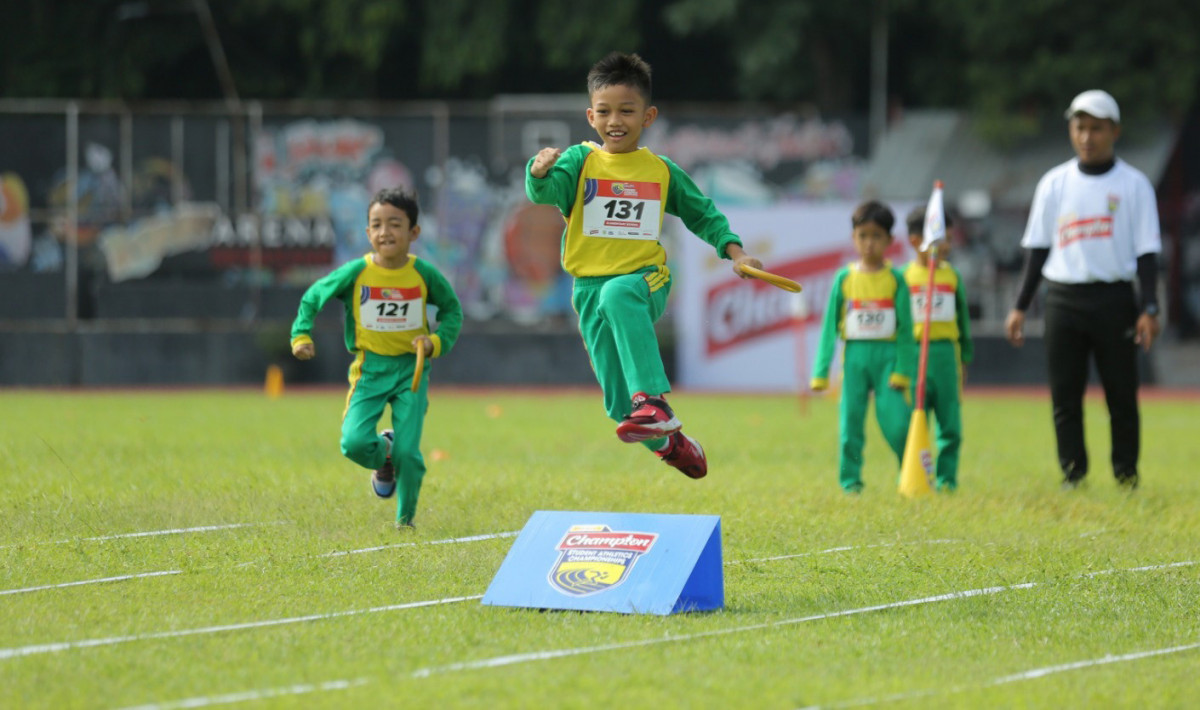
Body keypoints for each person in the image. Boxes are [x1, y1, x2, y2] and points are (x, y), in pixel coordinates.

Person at [525, 51, 763, 480]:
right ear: (591, 116)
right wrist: (538, 173)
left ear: (648, 116)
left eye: (627, 110)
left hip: (643, 281)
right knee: (619, 407)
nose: (615, 120)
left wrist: (736, 253)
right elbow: (546, 192)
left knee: (620, 296)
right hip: (588, 290)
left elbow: (702, 213)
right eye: (605, 111)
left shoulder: (660, 171)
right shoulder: (580, 162)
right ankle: (672, 445)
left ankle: (655, 400)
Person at [1004, 89, 1162, 490]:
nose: (1088, 136)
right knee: (1065, 396)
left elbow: (1146, 253)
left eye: (1097, 128)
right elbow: (1037, 250)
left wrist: (1151, 307)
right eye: (1080, 127)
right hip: (1063, 299)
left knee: (1121, 395)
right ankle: (1073, 474)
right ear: (1070, 130)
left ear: (1115, 131)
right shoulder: (1054, 183)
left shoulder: (1134, 185)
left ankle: (1126, 475)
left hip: (1114, 299)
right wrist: (1020, 306)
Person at [290, 187, 463, 527]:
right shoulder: (356, 272)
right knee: (353, 443)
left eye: (395, 224)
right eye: (377, 224)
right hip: (369, 370)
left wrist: (435, 342)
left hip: (411, 372)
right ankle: (384, 455)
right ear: (368, 233)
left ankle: (405, 522)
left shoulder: (424, 275)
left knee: (409, 454)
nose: (386, 232)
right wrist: (301, 334)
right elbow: (313, 296)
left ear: (414, 232)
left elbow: (452, 311)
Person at [811, 201, 915, 493]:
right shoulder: (844, 278)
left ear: (890, 241)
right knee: (850, 425)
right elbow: (830, 328)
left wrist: (903, 369)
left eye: (877, 236)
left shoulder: (896, 279)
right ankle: (851, 482)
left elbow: (907, 330)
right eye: (863, 236)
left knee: (898, 423)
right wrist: (820, 372)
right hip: (854, 358)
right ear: (853, 238)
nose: (869, 243)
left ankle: (910, 475)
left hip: (888, 359)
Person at [903, 206, 973, 492]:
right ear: (915, 240)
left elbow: (963, 321)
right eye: (939, 238)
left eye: (949, 239)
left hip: (945, 356)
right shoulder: (902, 278)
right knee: (914, 421)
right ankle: (913, 475)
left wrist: (964, 359)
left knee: (950, 425)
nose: (946, 246)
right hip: (914, 355)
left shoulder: (951, 276)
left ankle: (946, 481)